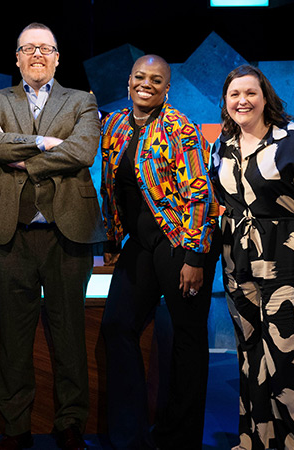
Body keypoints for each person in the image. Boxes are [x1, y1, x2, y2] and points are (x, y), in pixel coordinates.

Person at [0, 22, 105, 450]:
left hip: (67, 232)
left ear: (57, 57)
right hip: (9, 232)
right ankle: (15, 428)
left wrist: (28, 161)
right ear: (16, 57)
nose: (37, 55)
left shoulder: (82, 100)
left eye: (45, 48)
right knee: (14, 337)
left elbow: (83, 150)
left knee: (69, 334)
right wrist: (44, 141)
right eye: (28, 48)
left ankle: (70, 423)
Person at [210, 64, 294, 450]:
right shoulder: (223, 144)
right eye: (234, 94)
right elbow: (223, 204)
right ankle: (254, 439)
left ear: (265, 97)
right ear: (226, 102)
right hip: (238, 264)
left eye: (250, 92)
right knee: (249, 356)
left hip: (287, 261)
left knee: (287, 356)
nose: (242, 100)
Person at [99, 54, 220, 450]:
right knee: (118, 326)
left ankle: (178, 438)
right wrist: (114, 242)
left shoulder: (180, 129)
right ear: (129, 80)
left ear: (167, 88)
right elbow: (111, 190)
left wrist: (196, 257)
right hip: (141, 243)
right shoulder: (114, 124)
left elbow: (201, 194)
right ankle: (130, 436)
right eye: (139, 76)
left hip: (180, 241)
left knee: (187, 337)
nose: (146, 83)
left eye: (156, 79)